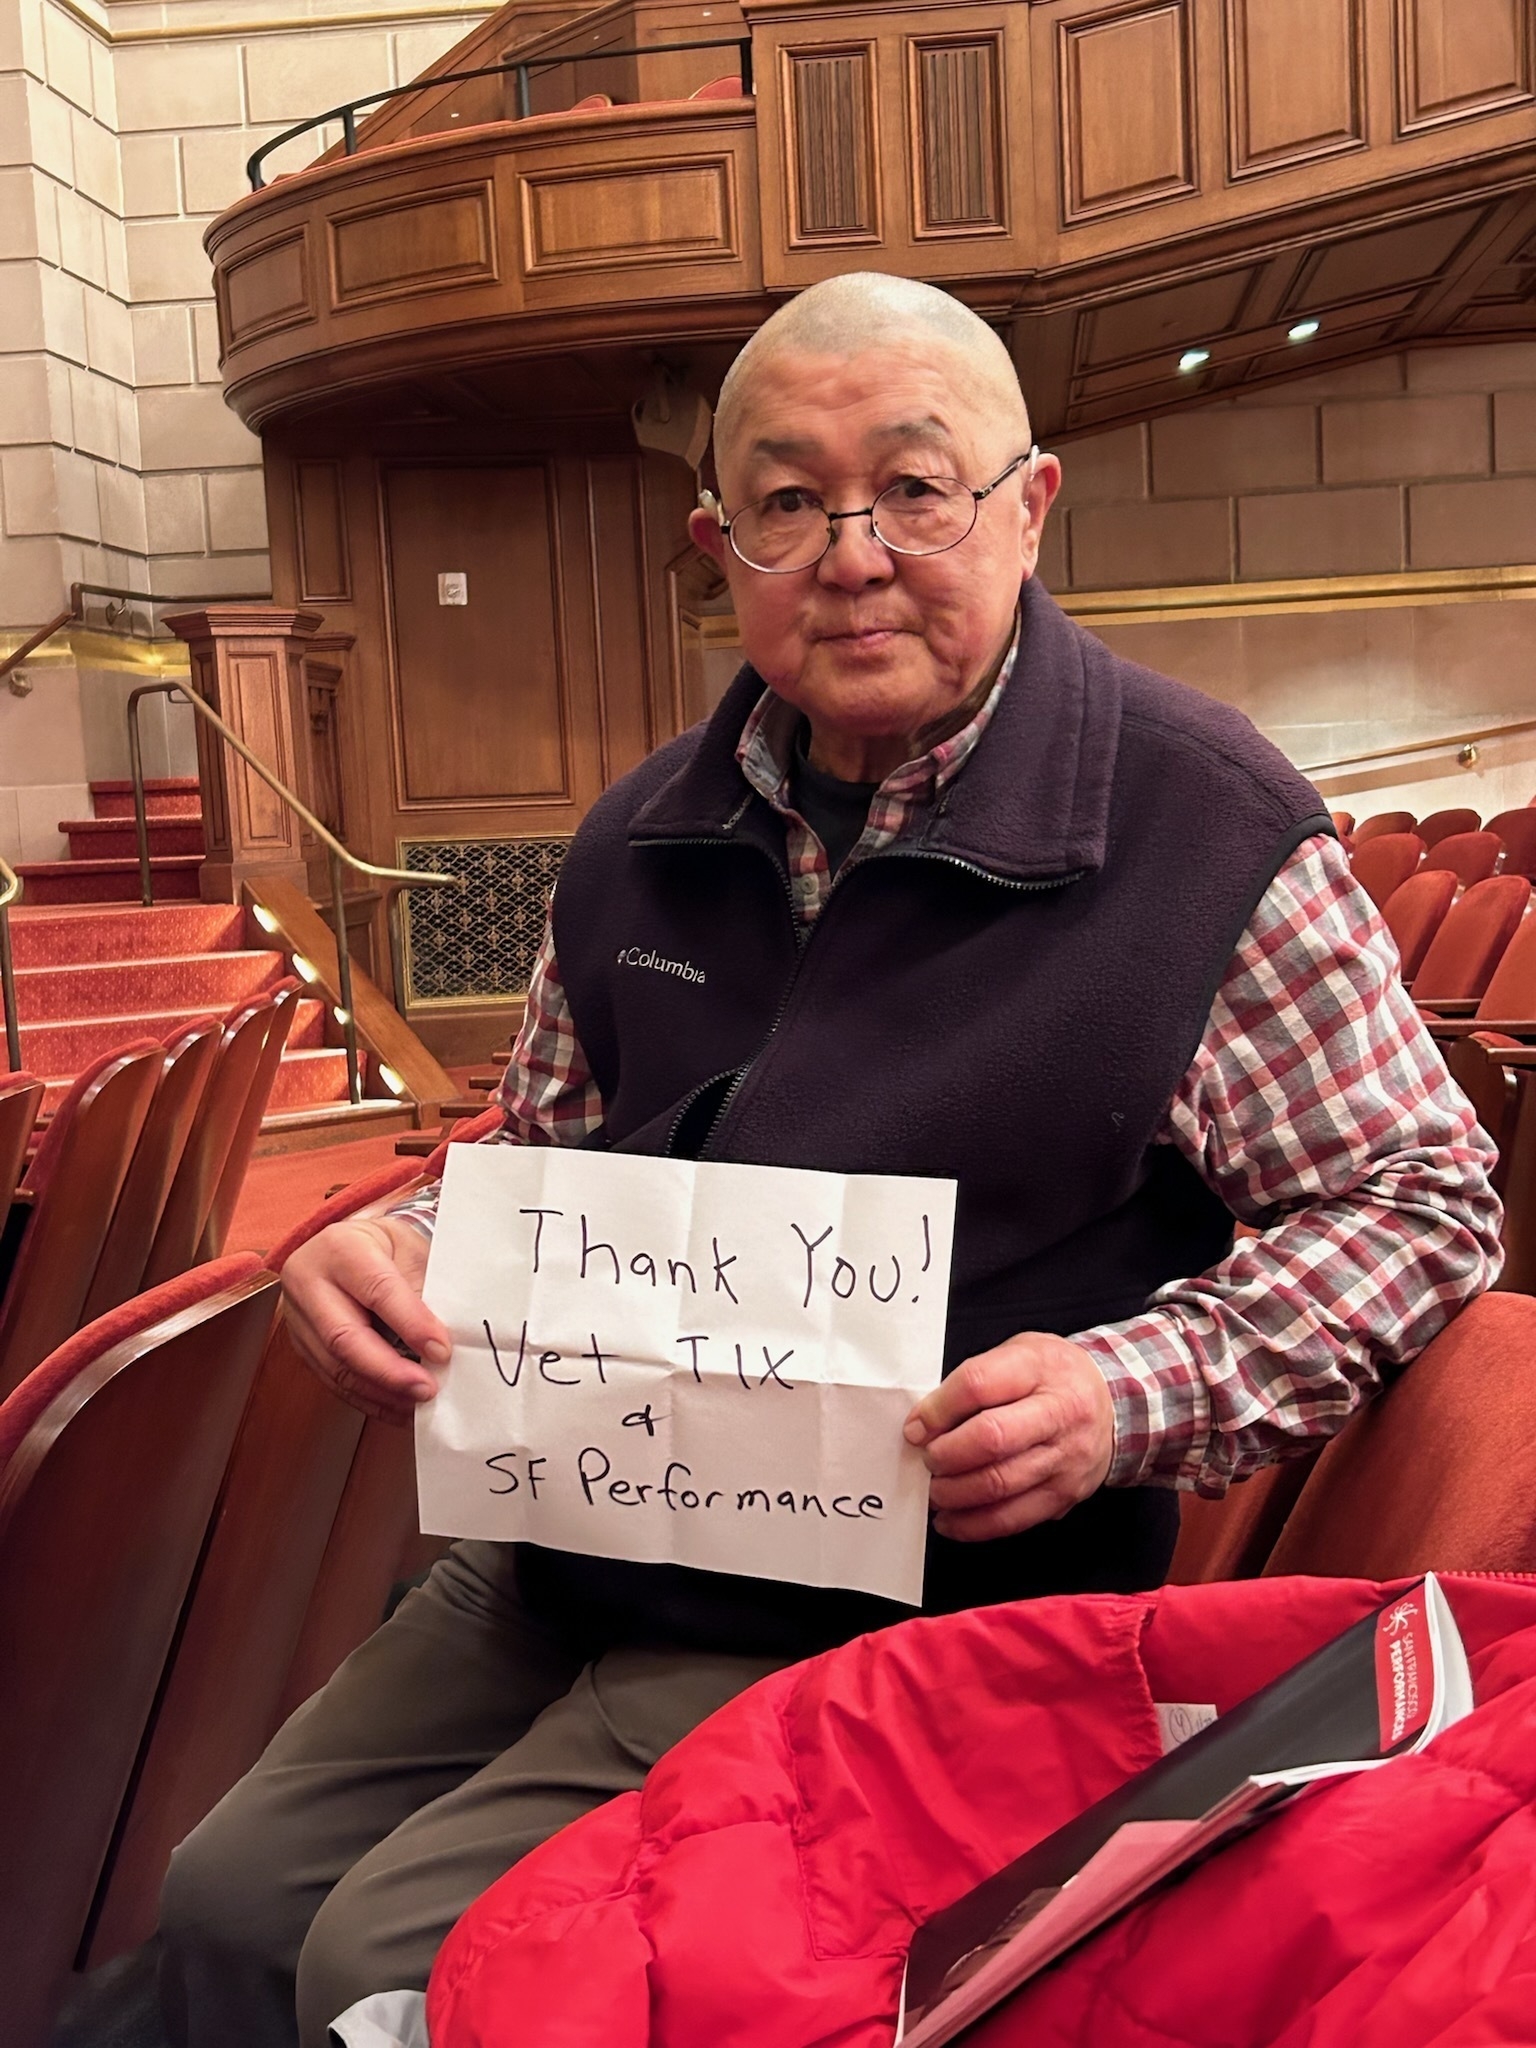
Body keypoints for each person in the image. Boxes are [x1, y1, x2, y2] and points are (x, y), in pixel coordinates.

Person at [158, 272, 1502, 2047]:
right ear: (720, 544)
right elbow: (544, 1150)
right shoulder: (637, 836)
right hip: (583, 1534)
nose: (854, 556)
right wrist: (410, 1240)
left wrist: (1126, 1393)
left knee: (393, 1964)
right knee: (223, 1902)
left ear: (1030, 505)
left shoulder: (1207, 826)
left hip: (913, 1604)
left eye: (916, 488)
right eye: (789, 502)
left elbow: (1420, 1203)